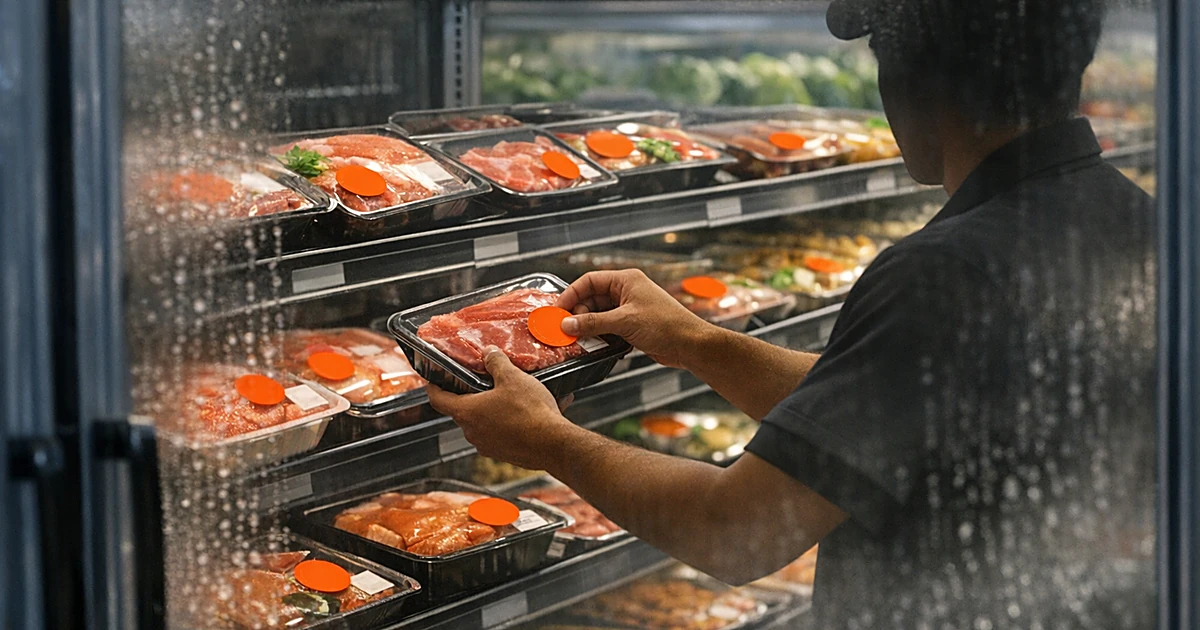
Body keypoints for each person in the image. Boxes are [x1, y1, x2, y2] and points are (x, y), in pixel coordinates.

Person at [428, 0, 1157, 626]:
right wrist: (695, 341)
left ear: (913, 80)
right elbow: (890, 406)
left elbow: (737, 531)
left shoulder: (942, 272)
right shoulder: (1140, 223)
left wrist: (549, 441)